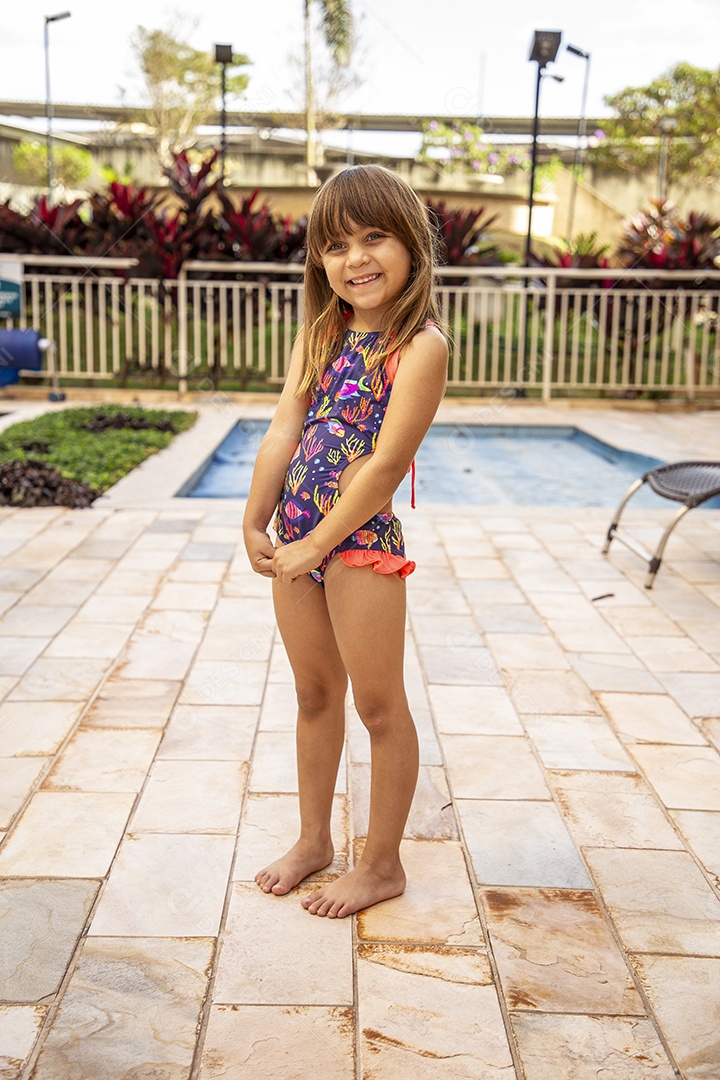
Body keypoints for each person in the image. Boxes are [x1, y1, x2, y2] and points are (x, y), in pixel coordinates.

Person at [242, 163, 448, 919]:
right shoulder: (320, 333)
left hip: (358, 544)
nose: (355, 258)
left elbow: (385, 465)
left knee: (379, 707)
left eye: (373, 238)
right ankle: (312, 841)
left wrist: (317, 543)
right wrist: (256, 518)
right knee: (313, 694)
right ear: (318, 263)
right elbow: (282, 430)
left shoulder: (418, 345)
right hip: (297, 537)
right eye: (335, 245)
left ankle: (383, 864)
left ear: (411, 247)